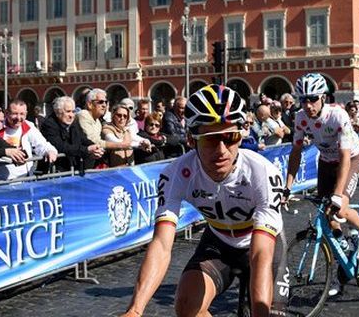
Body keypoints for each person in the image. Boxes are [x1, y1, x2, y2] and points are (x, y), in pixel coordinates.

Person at [122, 85, 288, 317]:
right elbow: (161, 244)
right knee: (187, 307)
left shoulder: (261, 172)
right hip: (219, 242)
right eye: (210, 139)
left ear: (241, 136)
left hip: (260, 243)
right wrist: (135, 310)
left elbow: (260, 254)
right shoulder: (177, 173)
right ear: (191, 139)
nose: (221, 150)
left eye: (230, 137)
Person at [283, 73, 359, 297]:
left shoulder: (337, 115)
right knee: (326, 216)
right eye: (302, 99)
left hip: (350, 159)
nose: (307, 104)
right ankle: (343, 260)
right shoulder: (300, 118)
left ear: (323, 97)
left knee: (339, 205)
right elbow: (295, 153)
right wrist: (287, 187)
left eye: (312, 99)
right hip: (325, 161)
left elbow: (344, 156)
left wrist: (337, 193)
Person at [0, 99, 58, 181]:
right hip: (0, 181)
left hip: (25, 179)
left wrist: (50, 151)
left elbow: (42, 144)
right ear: (6, 113)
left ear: (26, 114)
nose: (18, 118)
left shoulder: (28, 126)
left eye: (22, 114)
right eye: (15, 114)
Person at [40, 96, 104, 172]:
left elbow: (83, 139)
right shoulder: (49, 124)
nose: (71, 115)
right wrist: (86, 150)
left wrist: (95, 148)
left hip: (73, 168)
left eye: (73, 111)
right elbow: (61, 146)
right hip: (56, 171)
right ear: (58, 112)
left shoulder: (74, 123)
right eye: (68, 111)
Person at [76, 89, 130, 164]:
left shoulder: (98, 121)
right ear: (89, 104)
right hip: (80, 164)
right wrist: (120, 145)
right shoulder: (83, 115)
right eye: (100, 102)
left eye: (106, 102)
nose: (104, 105)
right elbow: (93, 141)